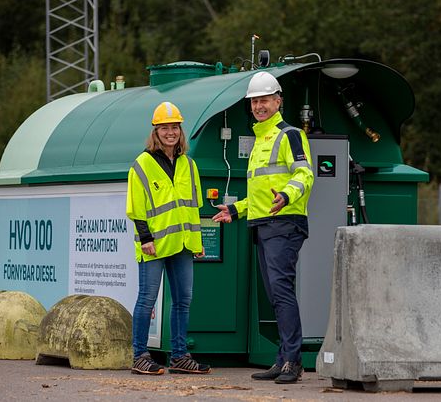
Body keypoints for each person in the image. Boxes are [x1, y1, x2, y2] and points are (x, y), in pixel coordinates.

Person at [212, 72, 314, 384]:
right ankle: (282, 359)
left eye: (264, 100)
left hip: (284, 223)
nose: (259, 106)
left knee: (281, 292)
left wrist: (286, 195)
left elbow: (306, 174)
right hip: (264, 223)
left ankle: (293, 362)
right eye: (255, 101)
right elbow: (259, 195)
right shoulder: (260, 139)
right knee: (274, 294)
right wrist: (235, 209)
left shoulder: (290, 135)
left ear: (278, 100)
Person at [126, 101, 211, 375]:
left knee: (183, 300)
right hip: (154, 244)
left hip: (183, 244)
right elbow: (136, 207)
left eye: (175, 127)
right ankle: (139, 355)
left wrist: (197, 244)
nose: (170, 132)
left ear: (180, 131)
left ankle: (179, 356)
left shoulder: (189, 164)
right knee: (147, 299)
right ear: (156, 131)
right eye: (165, 128)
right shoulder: (142, 164)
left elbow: (194, 207)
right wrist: (145, 238)